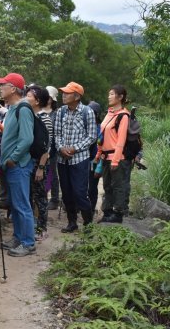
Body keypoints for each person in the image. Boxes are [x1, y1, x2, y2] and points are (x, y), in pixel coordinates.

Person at [0, 73, 37, 257]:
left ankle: (28, 243)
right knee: (15, 204)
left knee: (22, 205)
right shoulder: (12, 108)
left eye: (3, 84)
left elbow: (27, 138)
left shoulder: (24, 109)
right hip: (11, 166)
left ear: (13, 88)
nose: (0, 87)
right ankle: (18, 237)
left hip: (19, 165)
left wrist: (13, 157)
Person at [54, 82, 97, 233]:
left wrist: (74, 148)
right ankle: (72, 222)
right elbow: (57, 134)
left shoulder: (87, 112)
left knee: (80, 192)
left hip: (80, 159)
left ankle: (88, 224)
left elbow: (92, 136)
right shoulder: (61, 112)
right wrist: (60, 148)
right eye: (63, 92)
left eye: (67, 93)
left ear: (77, 96)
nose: (64, 95)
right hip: (62, 160)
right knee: (66, 192)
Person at [95, 85, 131, 224]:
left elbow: (121, 140)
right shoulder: (109, 113)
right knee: (107, 186)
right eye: (109, 94)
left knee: (118, 186)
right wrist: (99, 154)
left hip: (117, 158)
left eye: (112, 94)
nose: (109, 96)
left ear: (120, 97)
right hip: (105, 156)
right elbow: (102, 135)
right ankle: (107, 211)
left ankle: (118, 213)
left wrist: (115, 160)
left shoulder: (123, 116)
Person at [25, 85, 53, 241]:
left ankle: (42, 228)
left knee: (40, 197)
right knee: (29, 196)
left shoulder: (45, 119)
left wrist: (41, 168)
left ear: (37, 101)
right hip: (28, 162)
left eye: (29, 95)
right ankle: (30, 227)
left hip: (39, 163)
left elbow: (46, 147)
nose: (26, 96)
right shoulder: (29, 116)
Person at [44, 85, 60, 210]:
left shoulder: (56, 114)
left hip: (53, 148)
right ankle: (42, 196)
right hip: (40, 147)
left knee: (52, 173)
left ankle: (54, 199)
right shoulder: (38, 111)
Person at [86, 101, 103, 214]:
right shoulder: (84, 126)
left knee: (92, 187)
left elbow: (102, 148)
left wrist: (99, 166)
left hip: (95, 161)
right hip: (83, 160)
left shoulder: (101, 129)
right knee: (82, 185)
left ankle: (91, 209)